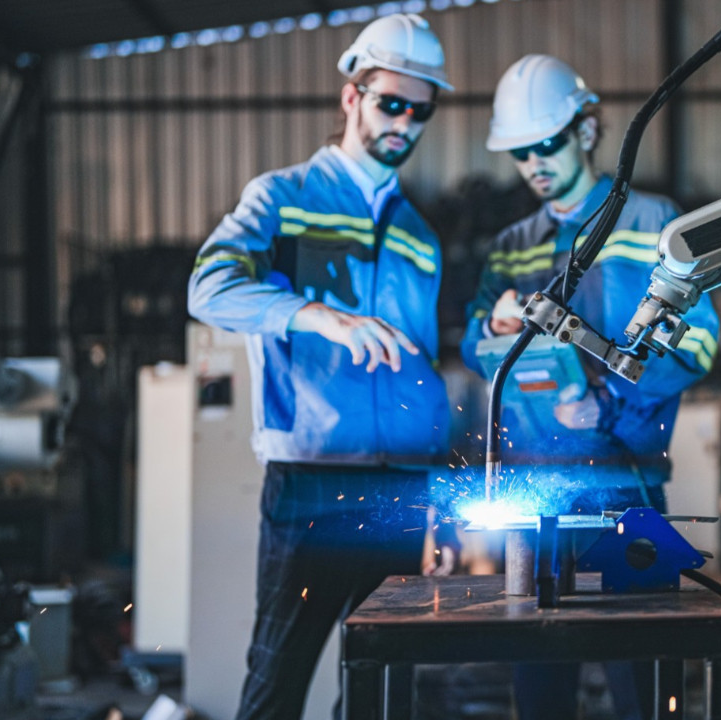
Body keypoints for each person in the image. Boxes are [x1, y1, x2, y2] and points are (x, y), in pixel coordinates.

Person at [187, 13, 456, 719]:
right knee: (277, 683)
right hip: (310, 487)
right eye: (390, 103)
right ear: (351, 96)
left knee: (380, 690)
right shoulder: (281, 199)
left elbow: (420, 376)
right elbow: (207, 288)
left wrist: (444, 505)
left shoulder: (420, 237)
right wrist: (315, 314)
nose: (404, 122)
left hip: (401, 492)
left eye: (420, 110)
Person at [461, 54, 720, 720]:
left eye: (545, 144)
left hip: (628, 486)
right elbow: (473, 344)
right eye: (519, 152)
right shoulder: (512, 244)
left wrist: (609, 403)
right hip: (533, 497)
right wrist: (491, 321)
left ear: (585, 128)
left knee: (645, 686)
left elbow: (700, 341)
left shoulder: (655, 225)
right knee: (540, 691)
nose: (534, 163)